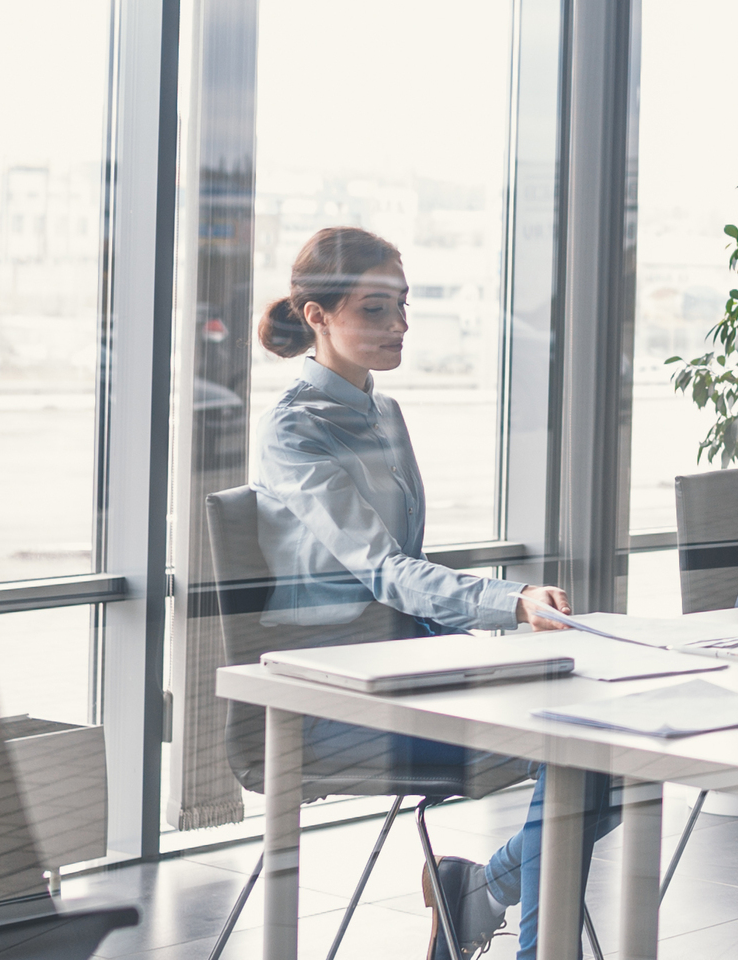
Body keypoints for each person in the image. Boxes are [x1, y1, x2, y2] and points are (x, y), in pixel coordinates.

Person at [241, 226, 589, 960]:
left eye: (401, 307)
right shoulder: (293, 431)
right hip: (334, 693)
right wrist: (510, 601)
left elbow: (408, 567)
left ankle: (487, 891)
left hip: (407, 665)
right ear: (318, 317)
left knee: (600, 741)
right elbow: (385, 569)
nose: (399, 327)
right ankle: (500, 912)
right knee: (578, 753)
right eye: (375, 310)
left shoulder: (384, 412)